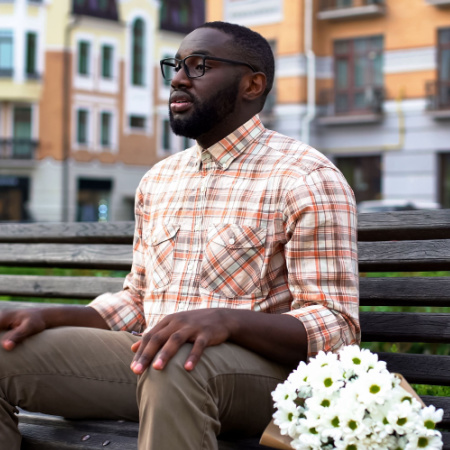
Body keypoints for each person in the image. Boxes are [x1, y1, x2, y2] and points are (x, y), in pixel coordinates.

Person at [0, 21, 359, 450]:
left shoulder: (306, 177)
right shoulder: (159, 179)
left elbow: (336, 326)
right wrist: (49, 316)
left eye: (200, 65)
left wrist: (225, 321)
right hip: (157, 364)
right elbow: (137, 300)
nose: (179, 78)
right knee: (6, 351)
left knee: (176, 361)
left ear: (253, 84)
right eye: (175, 65)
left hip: (272, 384)